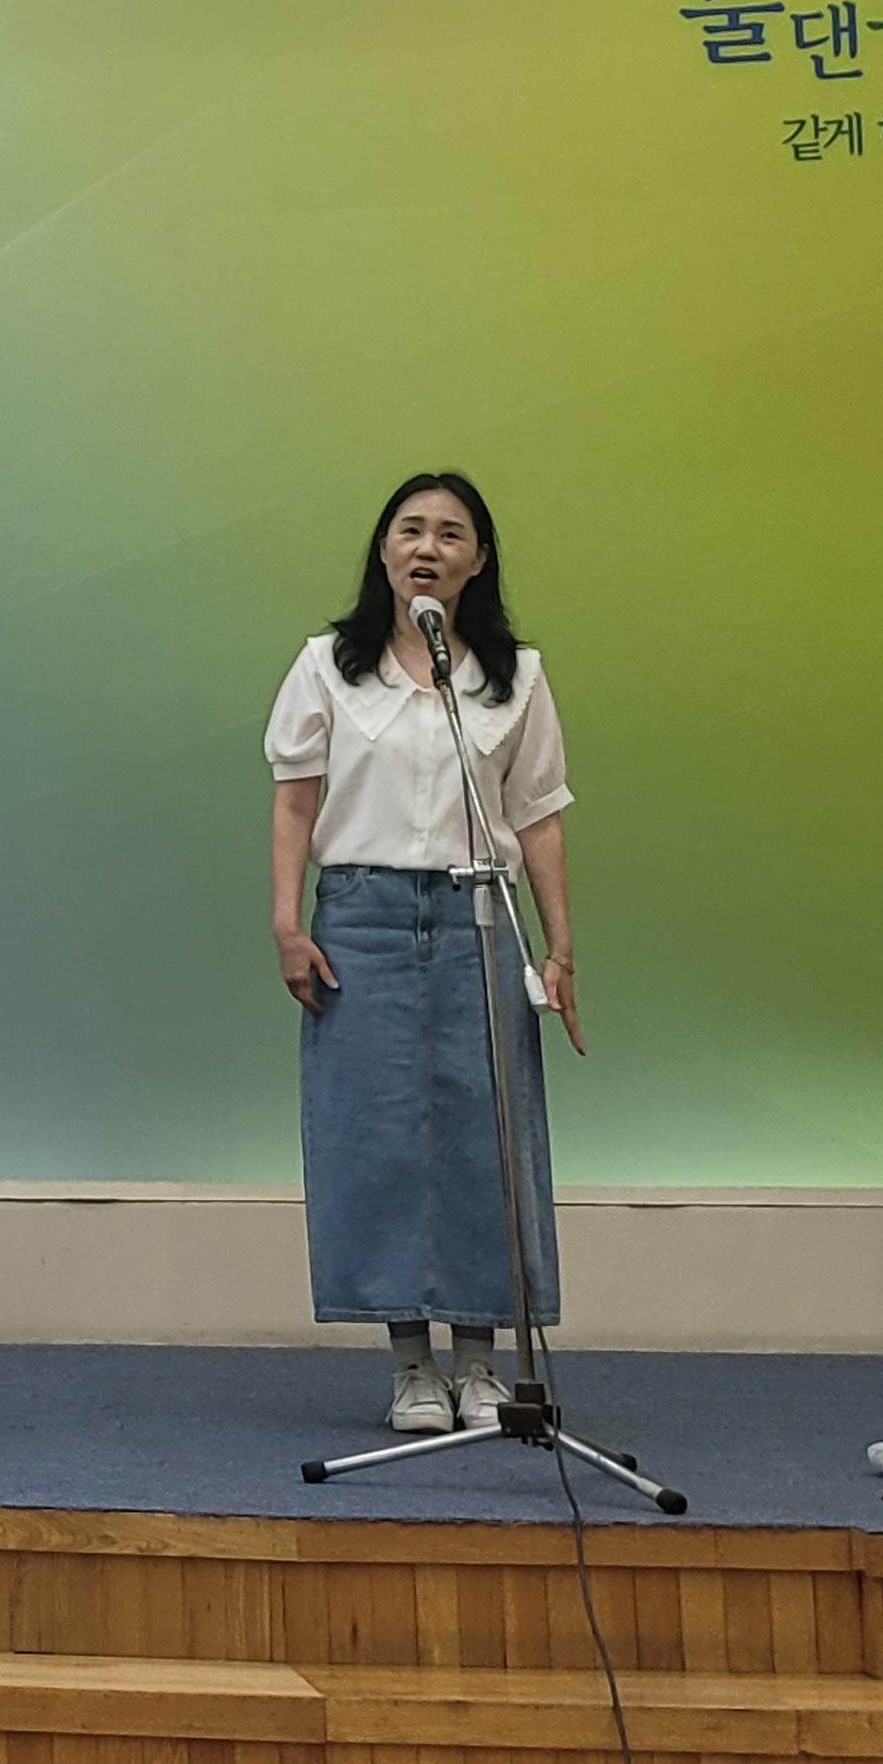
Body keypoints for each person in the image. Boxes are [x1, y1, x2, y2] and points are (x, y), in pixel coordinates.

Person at [264, 470, 583, 1436]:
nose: (427, 548)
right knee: (377, 1140)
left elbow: (538, 816)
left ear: (478, 560)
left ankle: (480, 1366)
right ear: (383, 549)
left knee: (486, 1136)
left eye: (450, 533)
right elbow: (295, 801)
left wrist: (560, 946)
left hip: (478, 912)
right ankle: (410, 1365)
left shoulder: (513, 677)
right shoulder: (329, 666)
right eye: (410, 530)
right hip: (360, 917)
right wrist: (287, 923)